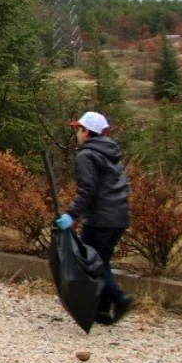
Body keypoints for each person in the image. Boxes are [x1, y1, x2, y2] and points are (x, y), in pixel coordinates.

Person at [56, 111, 134, 324]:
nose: (77, 133)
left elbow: (87, 190)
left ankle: (119, 298)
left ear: (87, 132)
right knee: (102, 262)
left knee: (91, 264)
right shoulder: (111, 153)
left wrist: (70, 215)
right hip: (119, 217)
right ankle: (102, 311)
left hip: (100, 219)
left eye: (79, 129)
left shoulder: (86, 155)